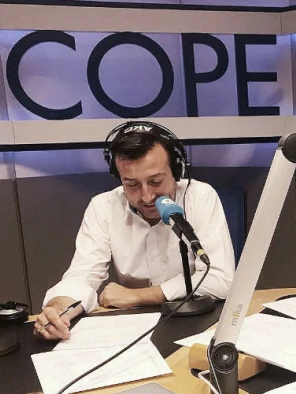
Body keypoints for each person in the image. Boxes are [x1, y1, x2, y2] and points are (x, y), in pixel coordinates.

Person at [34, 121, 235, 340]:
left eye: (156, 181)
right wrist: (58, 310)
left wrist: (138, 296)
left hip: (199, 323)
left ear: (177, 170)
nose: (147, 196)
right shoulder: (103, 207)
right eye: (132, 184)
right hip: (136, 331)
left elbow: (220, 279)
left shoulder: (199, 196)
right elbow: (83, 275)